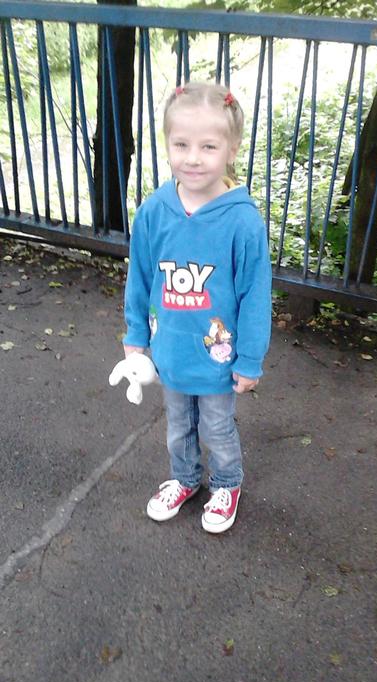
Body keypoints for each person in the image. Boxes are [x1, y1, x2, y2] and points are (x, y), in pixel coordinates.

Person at [122, 82, 271, 534]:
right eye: (181, 144)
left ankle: (226, 483)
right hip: (170, 351)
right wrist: (135, 335)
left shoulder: (242, 221)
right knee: (177, 425)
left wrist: (250, 359)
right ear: (167, 144)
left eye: (208, 146)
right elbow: (140, 277)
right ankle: (184, 478)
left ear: (232, 149)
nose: (193, 158)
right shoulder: (154, 211)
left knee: (217, 427)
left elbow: (255, 295)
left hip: (218, 358)